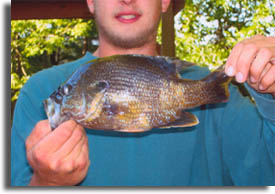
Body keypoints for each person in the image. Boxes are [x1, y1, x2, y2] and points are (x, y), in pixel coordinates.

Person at [11, 0, 275, 186]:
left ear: (164, 1)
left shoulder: (215, 97)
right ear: (90, 1)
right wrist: (46, 182)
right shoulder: (39, 94)